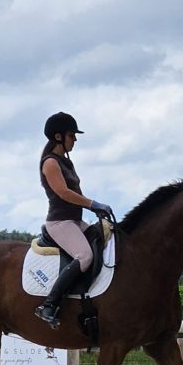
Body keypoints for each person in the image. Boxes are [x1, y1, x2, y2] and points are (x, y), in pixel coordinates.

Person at [34, 112, 113, 329]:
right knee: (85, 256)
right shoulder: (50, 162)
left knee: (105, 241)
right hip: (59, 223)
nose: (75, 139)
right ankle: (49, 304)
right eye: (72, 135)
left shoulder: (66, 161)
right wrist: (93, 204)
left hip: (75, 221)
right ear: (58, 137)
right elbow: (63, 193)